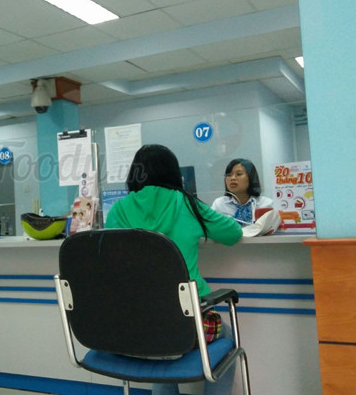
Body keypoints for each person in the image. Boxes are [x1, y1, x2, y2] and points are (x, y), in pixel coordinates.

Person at [104, 144, 242, 395]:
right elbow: (233, 233)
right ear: (174, 174)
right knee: (229, 339)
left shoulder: (118, 210)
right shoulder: (187, 205)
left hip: (133, 325)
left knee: (161, 345)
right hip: (185, 324)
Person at [211, 158, 273, 225]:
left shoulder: (266, 204)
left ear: (251, 178)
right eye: (229, 175)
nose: (232, 178)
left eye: (239, 174)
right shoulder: (219, 205)